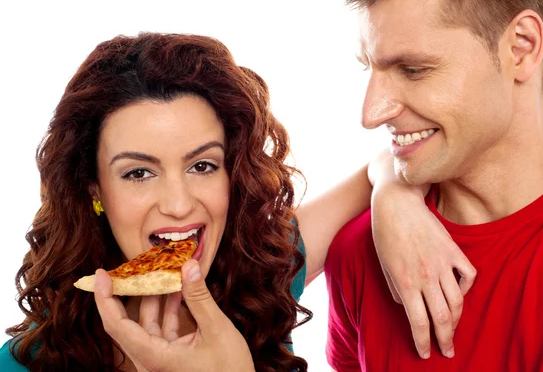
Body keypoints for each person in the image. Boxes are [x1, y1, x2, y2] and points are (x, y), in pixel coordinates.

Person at [0, 33, 472, 371]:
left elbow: (384, 163)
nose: (180, 205)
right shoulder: (26, 362)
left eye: (202, 165)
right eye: (139, 173)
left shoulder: (260, 273)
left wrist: (395, 200)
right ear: (94, 191)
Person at [324, 0, 543, 371]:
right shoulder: (359, 252)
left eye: (414, 69)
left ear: (521, 47)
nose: (371, 114)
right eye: (369, 67)